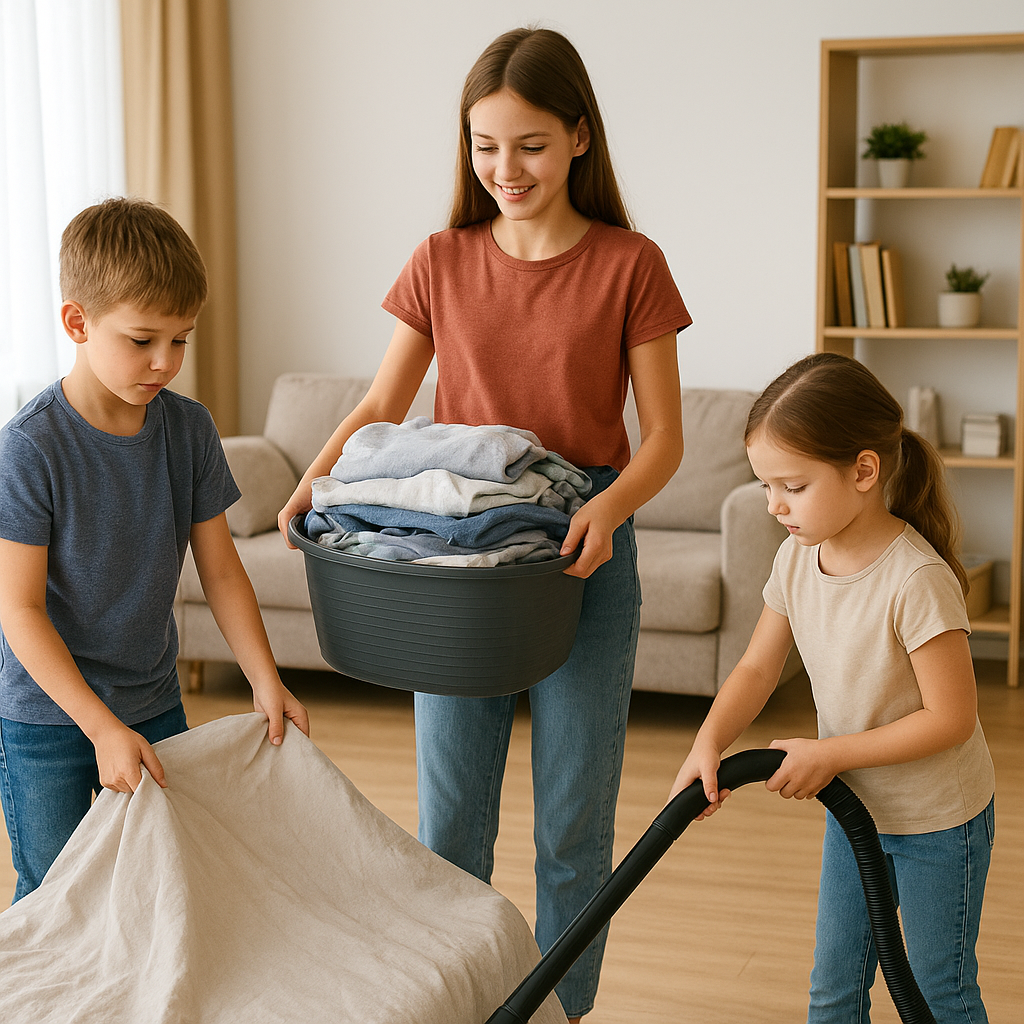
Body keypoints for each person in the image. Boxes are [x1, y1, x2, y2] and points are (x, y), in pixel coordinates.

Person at [278, 27, 690, 1019]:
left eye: (530, 145)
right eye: (484, 145)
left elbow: (663, 440)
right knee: (450, 821)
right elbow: (384, 404)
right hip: (456, 556)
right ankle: (461, 1005)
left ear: (580, 138)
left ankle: (561, 1009)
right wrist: (314, 477)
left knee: (573, 826)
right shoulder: (440, 259)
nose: (505, 168)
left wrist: (607, 509)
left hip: (583, 546)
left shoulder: (631, 264)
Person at [0, 197, 310, 904]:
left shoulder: (189, 430)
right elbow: (17, 610)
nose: (165, 362)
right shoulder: (29, 448)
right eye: (142, 340)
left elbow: (222, 570)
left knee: (160, 882)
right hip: (47, 716)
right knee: (57, 896)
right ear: (78, 322)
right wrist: (99, 727)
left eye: (182, 340)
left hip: (151, 700)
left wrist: (264, 677)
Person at [670, 352, 995, 1022]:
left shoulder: (915, 580)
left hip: (940, 820)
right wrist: (708, 741)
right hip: (858, 812)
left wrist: (832, 754)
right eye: (764, 487)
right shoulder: (795, 558)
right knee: (833, 988)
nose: (773, 506)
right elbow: (758, 668)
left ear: (864, 471)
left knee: (939, 989)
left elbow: (951, 718)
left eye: (791, 485)